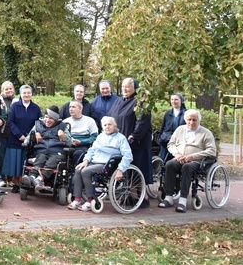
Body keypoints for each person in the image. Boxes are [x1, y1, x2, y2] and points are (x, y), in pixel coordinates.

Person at [158, 109, 216, 213]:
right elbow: (171, 144)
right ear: (185, 120)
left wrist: (193, 156)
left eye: (194, 120)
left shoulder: (206, 133)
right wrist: (177, 154)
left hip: (196, 162)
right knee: (170, 164)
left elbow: (212, 151)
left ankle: (183, 199)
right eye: (189, 119)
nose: (191, 122)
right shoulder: (180, 129)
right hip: (179, 158)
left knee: (187, 167)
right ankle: (169, 197)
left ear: (199, 121)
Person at [69, 116, 132, 211]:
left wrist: (120, 169)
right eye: (105, 125)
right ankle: (77, 199)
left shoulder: (121, 138)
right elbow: (92, 150)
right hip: (94, 161)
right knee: (78, 169)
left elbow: (128, 156)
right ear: (102, 127)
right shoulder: (100, 136)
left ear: (115, 126)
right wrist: (86, 160)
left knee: (85, 172)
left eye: (110, 124)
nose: (107, 127)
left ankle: (90, 200)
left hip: (107, 164)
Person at [109, 77, 152, 209]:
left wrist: (133, 136)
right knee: (124, 169)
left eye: (127, 87)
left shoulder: (140, 102)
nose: (124, 89)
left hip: (136, 143)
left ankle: (142, 196)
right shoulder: (117, 101)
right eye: (123, 87)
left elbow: (142, 122)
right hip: (120, 141)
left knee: (138, 168)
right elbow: (110, 117)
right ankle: (127, 194)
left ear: (135, 88)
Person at [20, 106, 71, 190]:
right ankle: (32, 178)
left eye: (51, 118)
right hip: (41, 151)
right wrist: (34, 134)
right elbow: (26, 141)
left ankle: (39, 179)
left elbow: (69, 143)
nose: (47, 120)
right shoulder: (38, 125)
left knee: (52, 161)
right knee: (40, 159)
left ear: (55, 120)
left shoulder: (62, 126)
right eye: (46, 117)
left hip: (57, 152)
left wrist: (63, 136)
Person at [2, 85, 41, 192]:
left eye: (29, 93)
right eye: (24, 93)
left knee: (26, 161)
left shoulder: (36, 108)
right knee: (16, 162)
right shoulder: (15, 106)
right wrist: (19, 135)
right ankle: (16, 184)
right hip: (16, 139)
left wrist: (32, 136)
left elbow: (39, 123)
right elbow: (10, 122)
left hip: (30, 141)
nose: (26, 95)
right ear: (20, 94)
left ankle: (27, 183)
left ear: (32, 94)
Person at [159, 93, 187, 161]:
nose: (173, 101)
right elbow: (163, 128)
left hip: (180, 140)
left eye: (176, 99)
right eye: (172, 99)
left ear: (181, 101)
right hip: (167, 139)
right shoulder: (168, 113)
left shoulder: (186, 113)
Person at [0, 80, 17, 184]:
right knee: (2, 155)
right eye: (6, 89)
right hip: (2, 132)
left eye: (10, 88)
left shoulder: (17, 101)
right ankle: (1, 177)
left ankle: (10, 178)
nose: (9, 90)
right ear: (2, 90)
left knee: (11, 155)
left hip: (13, 133)